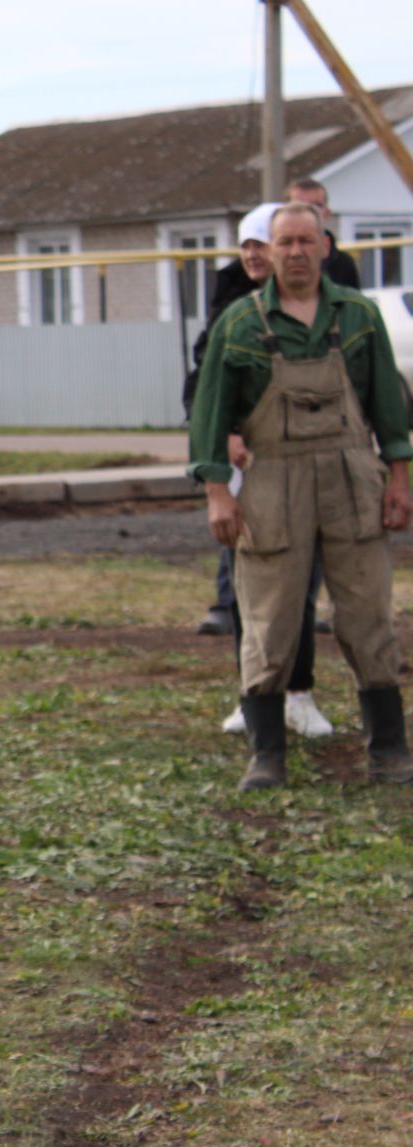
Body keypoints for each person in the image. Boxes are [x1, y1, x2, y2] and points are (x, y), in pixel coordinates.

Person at [189, 200, 413, 791]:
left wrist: (399, 478)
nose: (293, 252)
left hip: (351, 479)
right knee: (269, 616)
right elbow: (209, 414)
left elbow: (390, 408)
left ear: (324, 248)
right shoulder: (239, 324)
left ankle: (389, 750)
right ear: (270, 249)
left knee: (367, 611)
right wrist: (218, 492)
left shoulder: (360, 317)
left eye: (304, 242)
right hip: (272, 484)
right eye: (282, 242)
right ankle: (267, 755)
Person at [186, 203, 334, 740]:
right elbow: (202, 389)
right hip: (248, 473)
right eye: (247, 246)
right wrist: (221, 444)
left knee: (301, 585)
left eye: (260, 245)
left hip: (305, 468)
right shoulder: (231, 313)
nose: (254, 255)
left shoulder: (324, 311)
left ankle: (299, 693)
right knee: (247, 588)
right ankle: (253, 694)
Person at [287, 178, 361, 289]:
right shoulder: (272, 260)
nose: (309, 213)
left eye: (316, 206)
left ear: (327, 213)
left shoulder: (343, 264)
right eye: (300, 207)